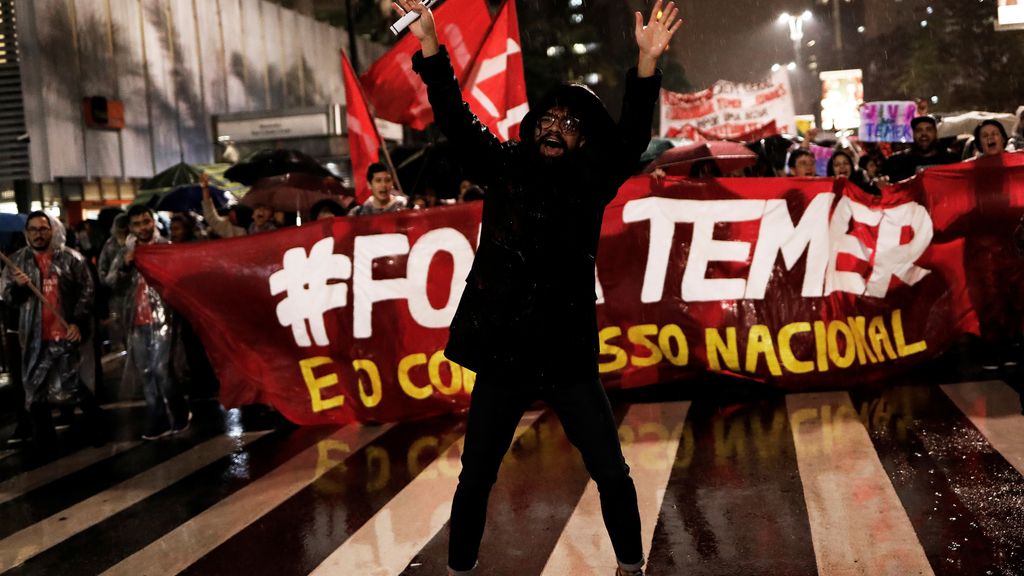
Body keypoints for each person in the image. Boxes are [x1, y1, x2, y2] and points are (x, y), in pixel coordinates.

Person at [397, 0, 679, 574]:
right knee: (475, 474)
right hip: (502, 354)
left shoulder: (592, 183)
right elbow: (453, 114)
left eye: (571, 125)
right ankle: (460, 570)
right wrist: (430, 45)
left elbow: (628, 139)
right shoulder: (503, 167)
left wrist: (646, 64)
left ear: (584, 142)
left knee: (611, 470)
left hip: (567, 356)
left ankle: (631, 568)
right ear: (532, 129)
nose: (556, 127)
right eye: (549, 119)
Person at [0, 212, 105, 457]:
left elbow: (87, 291)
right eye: (33, 229)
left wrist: (77, 322)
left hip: (64, 333)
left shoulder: (71, 258)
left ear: (51, 230)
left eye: (43, 229)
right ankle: (43, 440)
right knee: (36, 390)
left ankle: (97, 428)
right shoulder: (17, 262)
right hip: (34, 338)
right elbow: (8, 299)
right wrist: (19, 288)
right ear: (26, 233)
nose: (38, 234)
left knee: (74, 385)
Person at [108, 206, 191, 439]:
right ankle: (160, 418)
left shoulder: (165, 248)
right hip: (137, 321)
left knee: (161, 369)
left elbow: (180, 280)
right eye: (137, 224)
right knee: (146, 371)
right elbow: (111, 282)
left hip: (165, 319)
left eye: (146, 221)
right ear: (131, 227)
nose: (143, 227)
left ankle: (177, 413)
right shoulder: (126, 251)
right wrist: (125, 264)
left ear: (153, 222)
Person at [881, 115, 957, 182]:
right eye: (919, 130)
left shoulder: (951, 160)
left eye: (928, 129)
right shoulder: (896, 162)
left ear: (935, 133)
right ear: (913, 134)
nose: (924, 134)